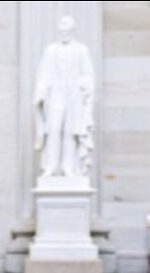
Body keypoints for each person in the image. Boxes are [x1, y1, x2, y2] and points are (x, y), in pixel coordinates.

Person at [33, 16, 95, 178]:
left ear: (73, 31)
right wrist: (41, 90)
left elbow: (88, 74)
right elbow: (43, 75)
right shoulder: (51, 50)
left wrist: (83, 84)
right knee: (53, 129)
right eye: (61, 31)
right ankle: (52, 166)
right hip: (55, 94)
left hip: (74, 94)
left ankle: (68, 168)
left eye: (67, 31)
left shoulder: (82, 50)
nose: (64, 33)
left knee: (70, 132)